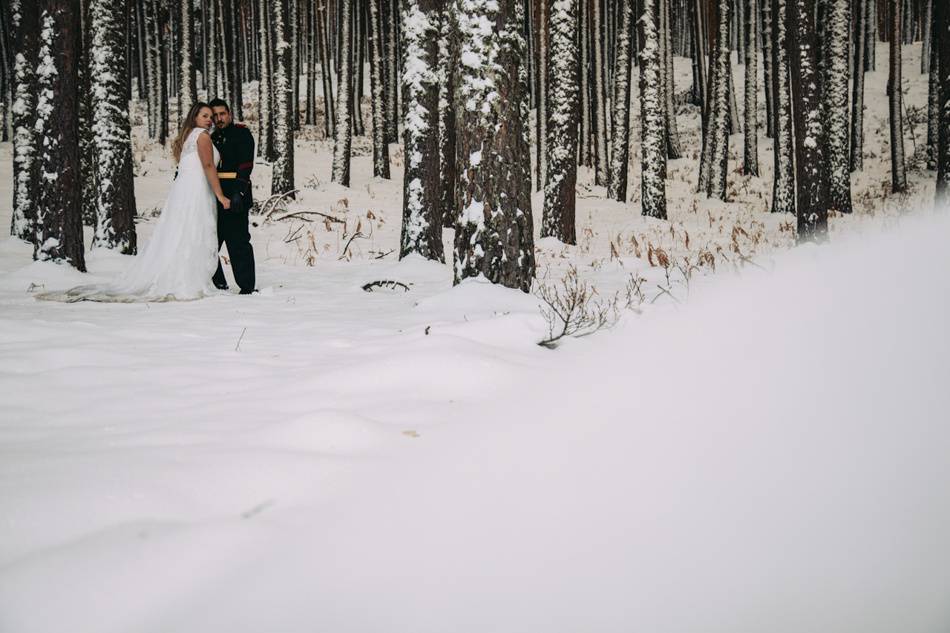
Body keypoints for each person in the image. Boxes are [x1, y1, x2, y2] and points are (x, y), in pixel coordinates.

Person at [38, 103, 230, 302]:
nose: (209, 119)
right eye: (204, 115)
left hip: (185, 189)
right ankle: (186, 278)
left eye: (210, 116)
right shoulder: (202, 136)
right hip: (196, 189)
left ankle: (180, 273)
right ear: (194, 118)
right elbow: (208, 166)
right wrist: (220, 195)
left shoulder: (189, 136)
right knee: (192, 229)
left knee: (180, 231)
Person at [209, 98, 256, 294]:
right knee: (209, 243)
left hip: (236, 194)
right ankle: (218, 283)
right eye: (215, 115)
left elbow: (246, 164)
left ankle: (246, 286)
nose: (219, 118)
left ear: (229, 113)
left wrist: (239, 191)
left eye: (222, 114)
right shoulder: (210, 138)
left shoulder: (242, 134)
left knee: (238, 243)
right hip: (214, 196)